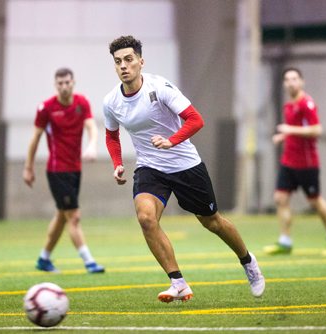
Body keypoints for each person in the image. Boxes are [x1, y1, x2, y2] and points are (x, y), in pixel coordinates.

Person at [103, 35, 264, 302]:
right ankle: (177, 282)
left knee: (212, 222)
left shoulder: (161, 88)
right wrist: (118, 164)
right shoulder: (111, 101)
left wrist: (171, 141)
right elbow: (111, 135)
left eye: (129, 60)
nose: (123, 66)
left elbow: (195, 119)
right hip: (150, 167)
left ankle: (248, 262)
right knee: (146, 218)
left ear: (141, 62)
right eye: (118, 61)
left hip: (185, 164)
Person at [23, 68, 105, 274]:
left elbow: (91, 127)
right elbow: (35, 139)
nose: (64, 86)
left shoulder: (82, 103)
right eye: (60, 83)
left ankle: (44, 259)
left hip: (75, 169)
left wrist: (92, 145)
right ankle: (89, 261)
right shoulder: (46, 108)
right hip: (57, 170)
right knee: (74, 216)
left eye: (67, 82)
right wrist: (28, 167)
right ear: (55, 85)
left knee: (62, 215)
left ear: (73, 82)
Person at [264, 67, 326, 256]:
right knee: (280, 199)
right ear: (284, 83)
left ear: (302, 81)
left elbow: (316, 129)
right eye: (287, 79)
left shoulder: (307, 104)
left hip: (307, 163)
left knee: (315, 202)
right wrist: (283, 136)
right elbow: (296, 130)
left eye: (295, 78)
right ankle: (285, 241)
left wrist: (289, 129)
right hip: (288, 161)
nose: (291, 82)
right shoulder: (288, 106)